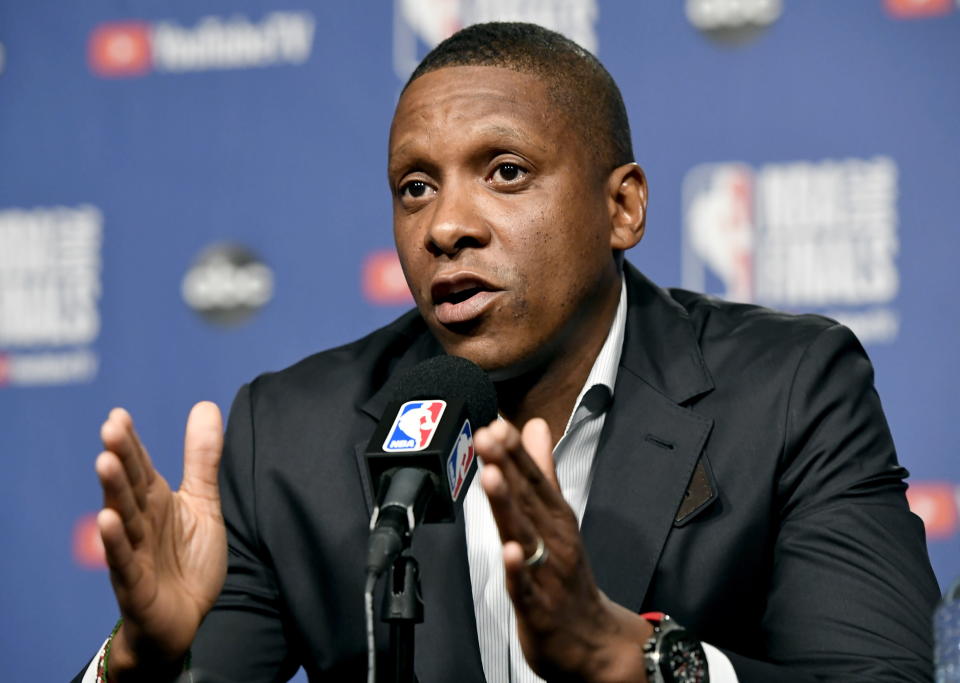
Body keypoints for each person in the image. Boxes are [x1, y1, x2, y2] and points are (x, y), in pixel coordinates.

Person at [77, 22, 939, 683]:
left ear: (623, 208)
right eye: (415, 187)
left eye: (506, 172)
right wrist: (138, 659)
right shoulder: (290, 437)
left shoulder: (788, 389)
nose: (446, 226)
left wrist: (626, 657)